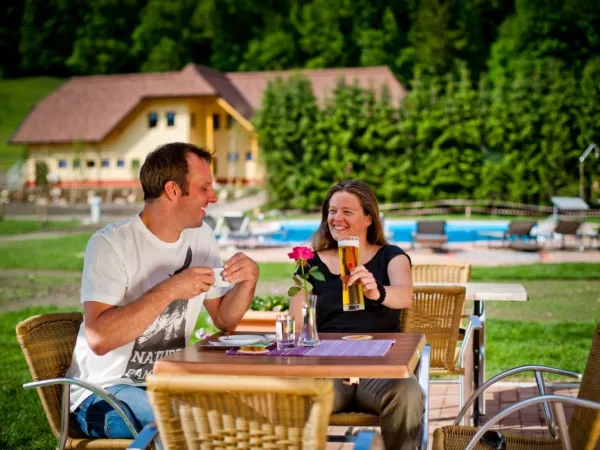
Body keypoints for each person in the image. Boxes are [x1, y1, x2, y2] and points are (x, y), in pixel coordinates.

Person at [66, 142, 259, 439]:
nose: (214, 197)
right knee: (197, 426)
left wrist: (249, 281)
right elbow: (100, 338)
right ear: (172, 190)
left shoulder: (201, 236)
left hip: (169, 383)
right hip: (104, 393)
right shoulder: (110, 244)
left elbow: (224, 318)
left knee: (253, 414)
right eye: (204, 188)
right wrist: (170, 289)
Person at [290, 180, 423, 450]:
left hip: (379, 372)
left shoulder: (391, 257)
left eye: (347, 212)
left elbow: (404, 295)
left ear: (368, 219)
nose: (336, 219)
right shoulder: (310, 263)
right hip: (327, 373)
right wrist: (301, 294)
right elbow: (297, 320)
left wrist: (377, 292)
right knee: (295, 396)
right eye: (331, 211)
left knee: (408, 392)